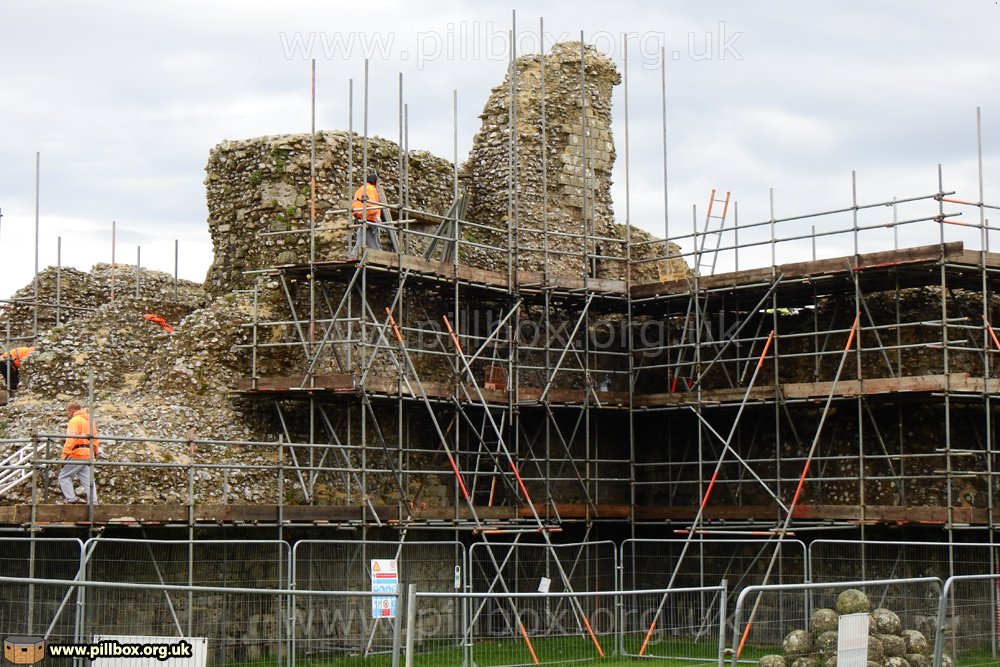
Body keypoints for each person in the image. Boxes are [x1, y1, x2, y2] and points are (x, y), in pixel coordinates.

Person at [58, 401, 99, 504]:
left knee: (64, 477)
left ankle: (71, 499)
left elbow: (71, 439)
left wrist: (64, 455)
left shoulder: (74, 420)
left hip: (77, 452)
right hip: (88, 453)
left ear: (71, 410)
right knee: (88, 479)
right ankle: (93, 502)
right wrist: (95, 452)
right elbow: (95, 439)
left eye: (68, 412)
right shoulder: (90, 421)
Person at [350, 172, 383, 256]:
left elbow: (355, 205)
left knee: (360, 241)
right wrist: (376, 216)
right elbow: (371, 205)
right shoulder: (370, 189)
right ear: (375, 182)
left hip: (361, 218)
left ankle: (353, 256)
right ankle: (379, 258)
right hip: (369, 219)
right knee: (374, 244)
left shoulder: (361, 189)